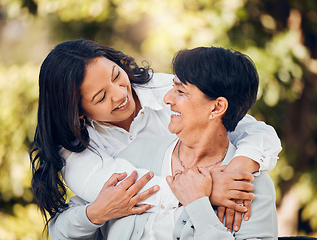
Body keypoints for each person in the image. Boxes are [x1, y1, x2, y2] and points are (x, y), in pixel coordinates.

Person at [29, 40, 281, 238]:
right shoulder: (81, 152)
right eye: (101, 97)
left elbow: (252, 128)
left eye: (117, 76)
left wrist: (241, 167)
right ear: (79, 112)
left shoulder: (166, 90)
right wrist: (207, 190)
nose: (119, 95)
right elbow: (127, 192)